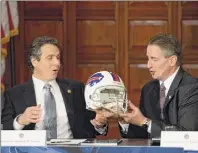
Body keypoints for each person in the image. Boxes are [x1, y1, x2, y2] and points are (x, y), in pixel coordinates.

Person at [1, 36, 107, 139]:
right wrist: (20, 120)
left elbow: (92, 125)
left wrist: (99, 124)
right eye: (50, 58)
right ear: (34, 61)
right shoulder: (15, 94)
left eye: (57, 57)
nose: (57, 63)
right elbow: (6, 129)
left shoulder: (76, 88)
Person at [119, 33, 198, 138]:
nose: (148, 65)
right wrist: (125, 120)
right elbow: (142, 135)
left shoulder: (192, 87)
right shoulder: (148, 89)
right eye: (148, 58)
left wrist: (145, 122)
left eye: (154, 59)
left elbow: (187, 135)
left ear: (172, 61)